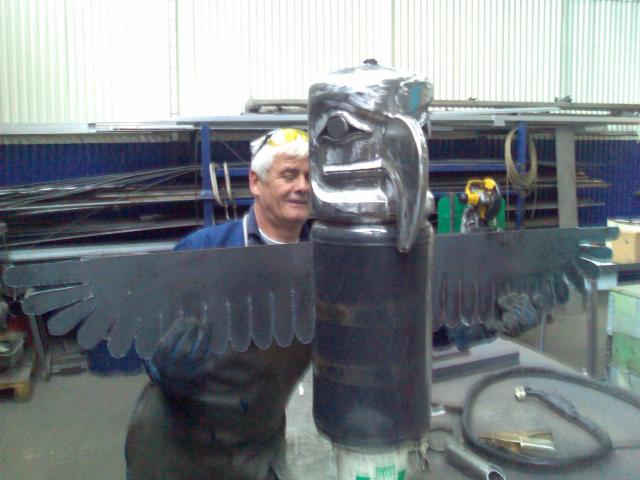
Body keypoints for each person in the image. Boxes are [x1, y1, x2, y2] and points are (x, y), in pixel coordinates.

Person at [125, 128, 312, 480]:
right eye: (289, 175)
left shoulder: (322, 263)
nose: (302, 186)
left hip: (258, 438)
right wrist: (163, 365)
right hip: (177, 439)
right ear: (255, 183)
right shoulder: (202, 251)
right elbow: (148, 338)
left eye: (309, 176)